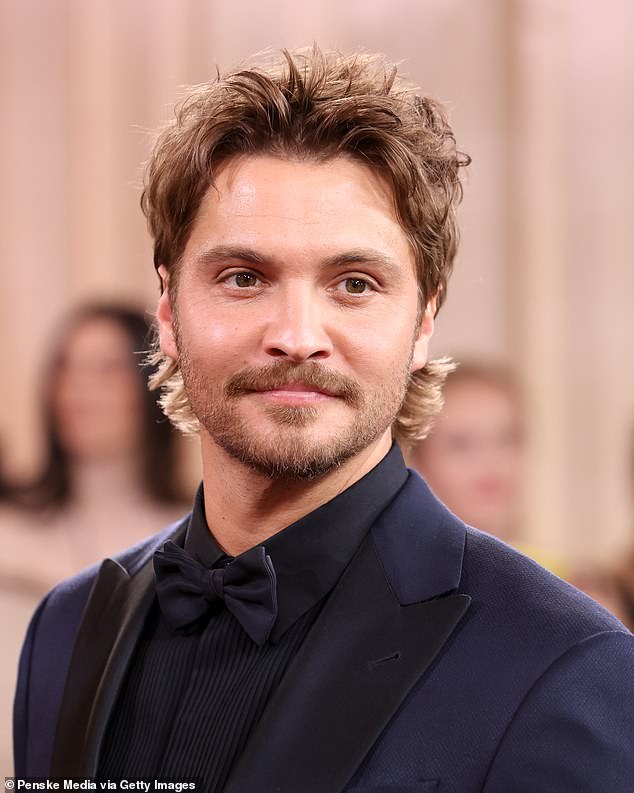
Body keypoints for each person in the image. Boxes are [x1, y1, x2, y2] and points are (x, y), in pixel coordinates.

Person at [14, 47, 634, 791]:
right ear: (169, 311)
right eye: (244, 278)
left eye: (353, 283)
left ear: (425, 318)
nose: (297, 334)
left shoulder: (562, 665)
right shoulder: (68, 626)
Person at [1, 304, 189, 773]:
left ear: (152, 384)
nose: (79, 390)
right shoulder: (8, 529)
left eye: (107, 369)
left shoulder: (201, 539)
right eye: (66, 367)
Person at [406, 362, 568, 576]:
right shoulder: (405, 576)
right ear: (416, 461)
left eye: (507, 438)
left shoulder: (559, 579)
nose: (490, 460)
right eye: (461, 444)